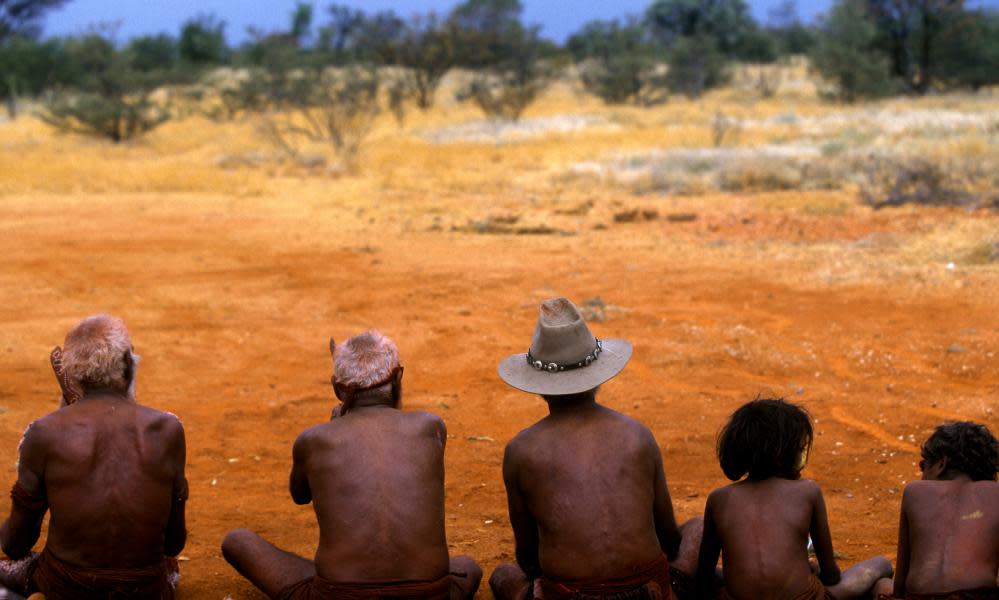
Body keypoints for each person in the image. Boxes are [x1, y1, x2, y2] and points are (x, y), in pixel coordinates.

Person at [221, 330, 482, 600]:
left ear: (338, 389)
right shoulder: (431, 426)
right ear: (399, 377)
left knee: (237, 541)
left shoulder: (314, 440)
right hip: (429, 594)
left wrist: (334, 430)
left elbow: (300, 495)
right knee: (467, 567)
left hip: (338, 593)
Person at [489, 297, 701, 600]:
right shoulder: (637, 434)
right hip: (648, 592)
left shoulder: (521, 450)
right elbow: (669, 537)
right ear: (597, 375)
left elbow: (528, 559)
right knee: (697, 528)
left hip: (569, 594)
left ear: (539, 385)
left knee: (503, 576)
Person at [0, 315, 188, 599]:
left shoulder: (44, 432)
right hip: (146, 589)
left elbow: (15, 544)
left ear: (73, 373)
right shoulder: (168, 429)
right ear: (128, 366)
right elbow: (173, 545)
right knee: (169, 566)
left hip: (66, 586)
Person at [695, 398, 892, 600]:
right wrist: (807, 571)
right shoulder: (808, 491)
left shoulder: (718, 499)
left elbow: (704, 576)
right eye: (800, 447)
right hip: (804, 597)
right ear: (782, 452)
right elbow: (832, 575)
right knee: (881, 564)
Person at [872, 421, 999, 600]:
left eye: (923, 466)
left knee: (882, 585)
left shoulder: (914, 491)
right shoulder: (995, 494)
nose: (921, 476)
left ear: (941, 464)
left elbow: (900, 587)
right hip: (976, 595)